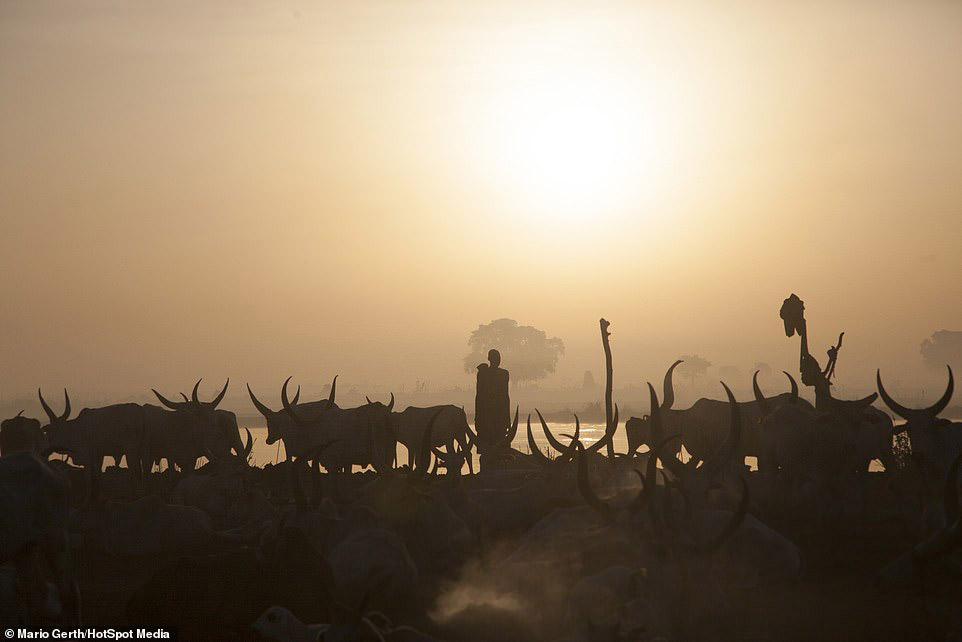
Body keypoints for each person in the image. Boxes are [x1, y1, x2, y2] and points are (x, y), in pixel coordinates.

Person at [475, 349, 510, 471]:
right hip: (486, 416)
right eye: (495, 358)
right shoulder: (483, 373)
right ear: (489, 359)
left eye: (498, 358)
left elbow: (505, 397)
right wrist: (477, 418)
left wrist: (508, 419)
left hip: (499, 416)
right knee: (487, 448)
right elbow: (479, 396)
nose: (497, 361)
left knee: (501, 449)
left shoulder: (504, 374)